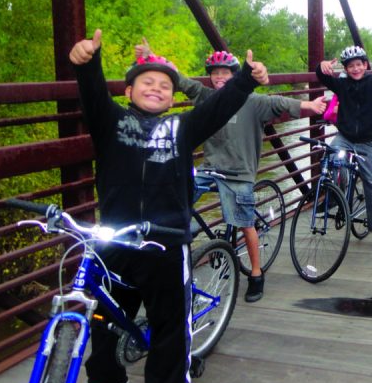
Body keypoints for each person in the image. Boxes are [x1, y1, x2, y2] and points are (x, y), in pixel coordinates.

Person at [68, 29, 267, 383]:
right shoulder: (111, 122)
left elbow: (216, 109)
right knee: (103, 317)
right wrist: (88, 62)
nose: (156, 88)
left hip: (166, 241)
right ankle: (106, 380)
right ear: (128, 91)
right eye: (146, 82)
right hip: (116, 240)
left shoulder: (181, 128)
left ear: (173, 96)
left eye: (165, 85)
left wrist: (245, 78)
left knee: (169, 325)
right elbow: (92, 97)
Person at [135, 41, 326, 303]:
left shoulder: (253, 102)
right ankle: (186, 247)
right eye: (215, 73)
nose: (219, 77)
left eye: (225, 73)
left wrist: (310, 107)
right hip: (210, 169)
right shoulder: (205, 96)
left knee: (244, 223)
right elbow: (179, 80)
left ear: (235, 75)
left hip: (239, 174)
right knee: (173, 196)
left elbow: (281, 102)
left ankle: (256, 275)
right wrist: (151, 58)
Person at [316, 46, 372, 253]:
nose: (355, 69)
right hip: (345, 137)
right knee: (330, 155)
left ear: (365, 65)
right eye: (351, 66)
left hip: (366, 141)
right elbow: (322, 76)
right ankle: (335, 195)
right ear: (346, 68)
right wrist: (321, 66)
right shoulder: (342, 84)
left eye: (359, 64)